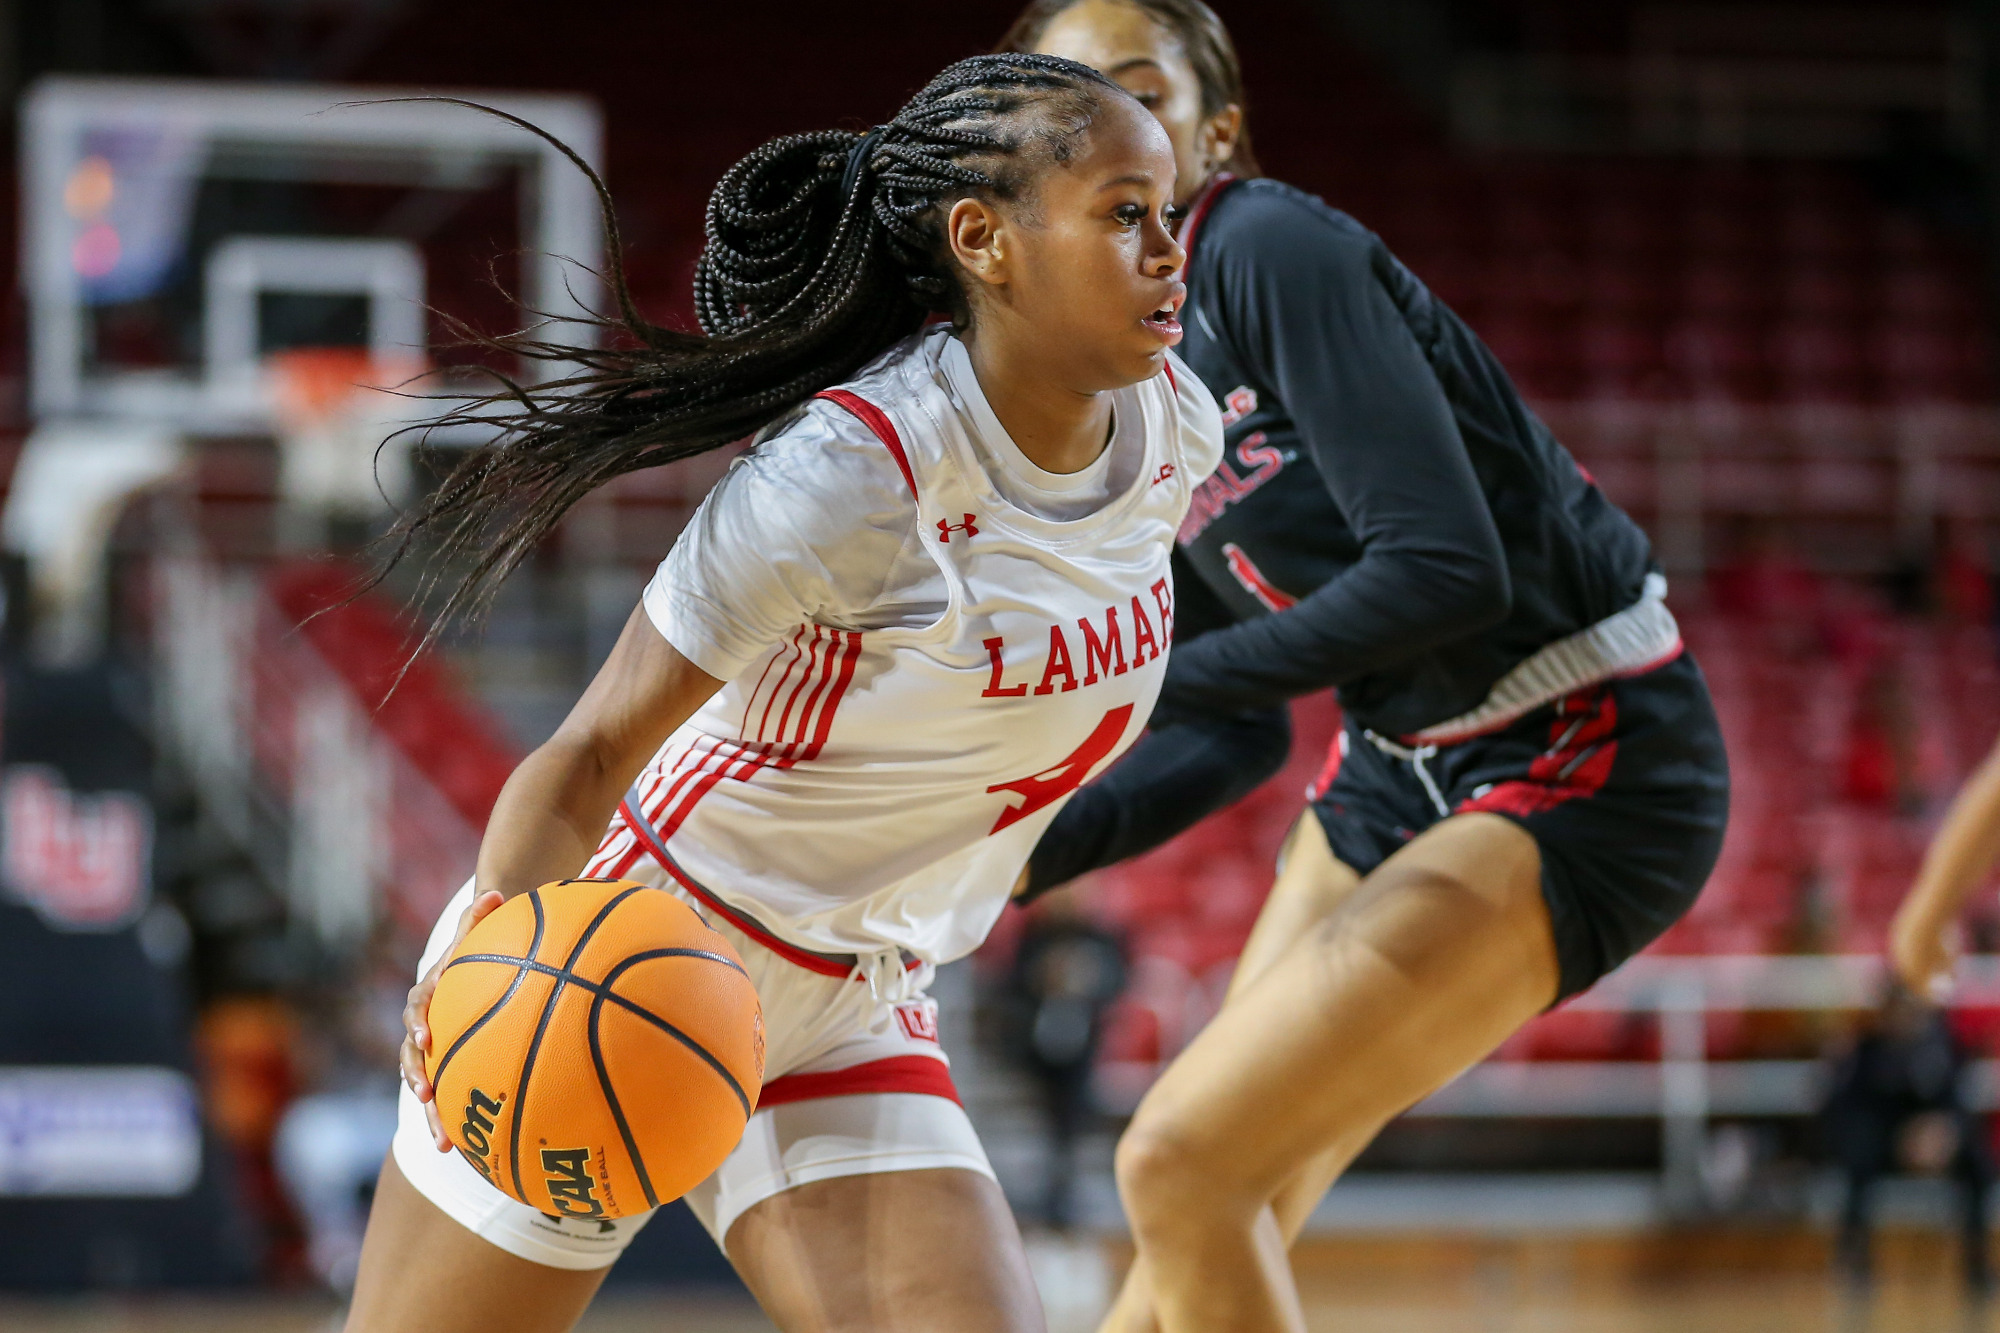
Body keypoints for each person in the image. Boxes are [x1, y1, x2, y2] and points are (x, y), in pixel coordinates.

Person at [344, 54, 1224, 1333]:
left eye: (1168, 212)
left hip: (852, 992)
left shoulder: (1171, 430)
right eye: (1122, 211)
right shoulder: (848, 477)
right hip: (630, 951)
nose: (1167, 249)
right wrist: (497, 960)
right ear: (984, 240)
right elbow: (588, 753)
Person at [1006, 5, 1732, 1330]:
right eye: (1062, 102)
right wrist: (1006, 864)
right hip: (1400, 762)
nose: (1100, 127)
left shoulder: (1265, 245)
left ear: (1212, 135)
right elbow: (1236, 731)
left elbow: (1447, 572)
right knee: (1203, 1228)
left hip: (1586, 742)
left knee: (1180, 1165)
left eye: (1137, 92)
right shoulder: (1121, 385)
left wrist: (1133, 684)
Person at [1824, 985, 1991, 1292]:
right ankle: (1855, 1261)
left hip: (1935, 1143)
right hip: (1883, 1142)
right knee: (1859, 1161)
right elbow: (1847, 1109)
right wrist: (1900, 1138)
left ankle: (1978, 1266)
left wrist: (1945, 1133)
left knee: (1979, 1164)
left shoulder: (1942, 1046)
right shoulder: (1866, 1049)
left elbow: (1960, 1103)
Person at [1004, 888, 1128, 1229]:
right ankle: (1048, 1194)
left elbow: (1120, 982)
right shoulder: (1035, 936)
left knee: (1072, 1122)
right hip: (1038, 1043)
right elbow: (1011, 982)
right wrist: (1042, 976)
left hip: (1085, 1045)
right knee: (1043, 1118)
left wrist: (1089, 978)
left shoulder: (1103, 936)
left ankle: (1065, 1196)